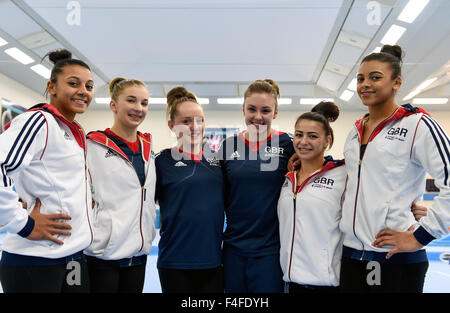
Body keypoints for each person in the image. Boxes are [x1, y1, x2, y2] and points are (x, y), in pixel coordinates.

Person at [339, 44, 450, 292]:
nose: (365, 84)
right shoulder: (355, 131)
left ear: (397, 82)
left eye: (375, 77)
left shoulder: (418, 125)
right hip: (352, 257)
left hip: (394, 259)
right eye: (360, 78)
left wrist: (421, 236)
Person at [0, 49, 94, 293]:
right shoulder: (38, 121)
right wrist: (21, 223)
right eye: (74, 83)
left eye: (89, 86)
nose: (83, 91)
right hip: (35, 261)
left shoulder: (72, 131)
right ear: (51, 87)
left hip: (72, 257)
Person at [218, 79, 295, 293]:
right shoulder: (228, 146)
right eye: (252, 109)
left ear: (275, 112)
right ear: (243, 109)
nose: (258, 117)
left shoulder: (288, 145)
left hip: (271, 251)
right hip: (233, 249)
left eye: (265, 110)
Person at [83, 78, 156, 293]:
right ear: (113, 105)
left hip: (139, 255)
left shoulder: (149, 149)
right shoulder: (92, 145)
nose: (138, 108)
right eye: (131, 100)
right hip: (103, 255)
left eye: (144, 103)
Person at [155, 86, 225, 293]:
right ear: (171, 125)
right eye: (186, 121)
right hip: (175, 263)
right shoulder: (161, 162)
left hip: (213, 262)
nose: (194, 126)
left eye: (199, 120)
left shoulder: (218, 161)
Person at [278, 101, 345, 293]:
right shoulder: (287, 178)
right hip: (290, 283)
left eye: (312, 136)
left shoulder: (343, 175)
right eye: (299, 135)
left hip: (327, 285)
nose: (303, 141)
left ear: (327, 141)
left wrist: (410, 209)